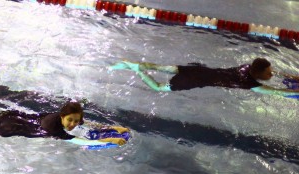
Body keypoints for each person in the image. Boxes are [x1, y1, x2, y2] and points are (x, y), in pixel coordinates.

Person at [0, 96, 129, 146]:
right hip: (6, 126)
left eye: (76, 121)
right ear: (62, 116)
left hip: (12, 116)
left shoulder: (67, 119)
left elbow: (89, 125)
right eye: (71, 121)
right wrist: (109, 141)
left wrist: (114, 128)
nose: (74, 125)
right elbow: (82, 142)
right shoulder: (53, 127)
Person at [110, 57, 299, 98]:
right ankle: (137, 71)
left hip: (198, 69)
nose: (271, 73)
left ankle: (128, 63)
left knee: (158, 66)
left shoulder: (246, 67)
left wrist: (292, 76)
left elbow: (277, 76)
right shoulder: (249, 84)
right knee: (159, 88)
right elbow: (279, 92)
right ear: (257, 74)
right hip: (194, 80)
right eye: (268, 72)